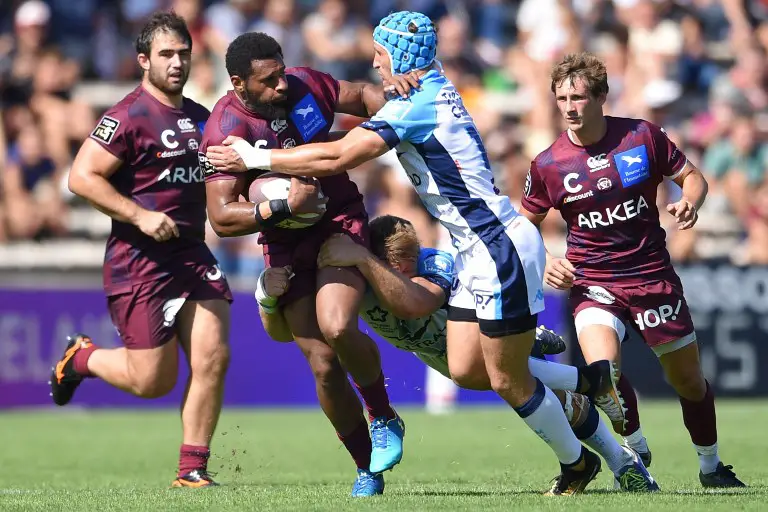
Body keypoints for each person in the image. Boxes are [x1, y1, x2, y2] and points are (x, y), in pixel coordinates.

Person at [206, 11, 620, 495]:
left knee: (506, 380)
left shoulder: (410, 105)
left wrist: (257, 159)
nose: (378, 68)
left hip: (493, 244)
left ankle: (577, 463)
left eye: (382, 57)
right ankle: (584, 378)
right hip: (475, 246)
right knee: (468, 369)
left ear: (401, 56)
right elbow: (231, 213)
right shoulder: (424, 90)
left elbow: (339, 156)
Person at [257, 215, 659, 492]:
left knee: (518, 384)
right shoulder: (355, 284)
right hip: (447, 358)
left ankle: (609, 447)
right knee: (539, 392)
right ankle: (595, 399)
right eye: (399, 268)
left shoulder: (437, 265)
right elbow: (286, 333)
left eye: (410, 265)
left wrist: (370, 263)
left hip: (481, 335)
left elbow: (419, 302)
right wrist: (268, 296)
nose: (406, 275)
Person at [200, 32, 421, 496]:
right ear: (239, 84)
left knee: (338, 327)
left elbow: (359, 95)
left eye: (281, 72)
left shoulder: (304, 84)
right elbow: (221, 217)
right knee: (322, 363)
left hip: (340, 219)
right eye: (268, 80)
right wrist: (281, 207)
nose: (281, 85)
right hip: (284, 245)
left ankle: (382, 415)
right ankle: (367, 468)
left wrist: (391, 95)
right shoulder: (224, 130)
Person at [518, 52, 744, 488]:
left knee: (689, 382)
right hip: (593, 282)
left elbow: (693, 177)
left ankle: (711, 467)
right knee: (606, 375)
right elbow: (523, 225)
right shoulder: (548, 164)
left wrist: (689, 202)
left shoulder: (642, 136)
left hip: (653, 278)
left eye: (579, 96)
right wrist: (548, 259)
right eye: (561, 97)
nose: (569, 106)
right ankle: (636, 453)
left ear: (601, 97)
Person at [50, 12, 232, 488]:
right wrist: (140, 215)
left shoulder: (200, 117)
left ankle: (191, 469)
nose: (177, 63)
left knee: (213, 356)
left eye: (184, 54)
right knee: (152, 382)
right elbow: (80, 177)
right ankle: (81, 359)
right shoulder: (126, 115)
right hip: (140, 261)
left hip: (192, 254)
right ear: (143, 60)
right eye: (166, 55)